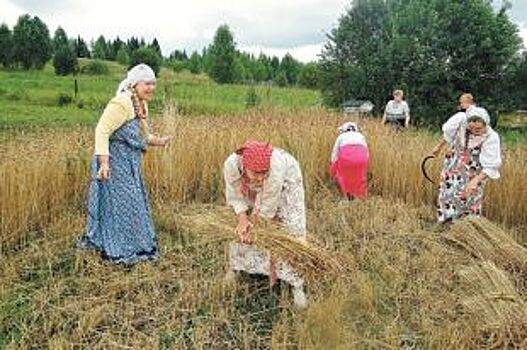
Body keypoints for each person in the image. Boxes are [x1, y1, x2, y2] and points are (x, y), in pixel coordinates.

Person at [78, 64, 171, 264]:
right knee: (121, 204)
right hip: (112, 162)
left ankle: (136, 244)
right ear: (135, 84)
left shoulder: (141, 104)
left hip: (129, 163)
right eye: (147, 83)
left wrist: (159, 141)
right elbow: (101, 130)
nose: (151, 87)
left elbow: (141, 135)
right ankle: (119, 246)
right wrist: (104, 163)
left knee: (133, 203)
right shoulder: (121, 103)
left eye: (153, 83)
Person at [223, 141, 308, 308]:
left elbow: (268, 206)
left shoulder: (276, 168)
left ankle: (295, 283)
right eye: (256, 172)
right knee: (240, 227)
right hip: (251, 187)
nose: (260, 177)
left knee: (289, 229)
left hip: (286, 184)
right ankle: (238, 267)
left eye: (264, 173)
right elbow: (234, 195)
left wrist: (254, 227)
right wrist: (242, 220)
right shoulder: (231, 164)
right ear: (244, 165)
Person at [431, 106, 502, 223]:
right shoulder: (460, 122)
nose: (476, 128)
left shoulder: (491, 137)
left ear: (486, 124)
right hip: (452, 167)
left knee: (469, 199)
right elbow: (448, 135)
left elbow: (491, 165)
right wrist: (439, 147)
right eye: (472, 124)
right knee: (447, 194)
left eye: (480, 126)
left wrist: (475, 181)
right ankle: (444, 223)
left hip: (472, 174)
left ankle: (466, 229)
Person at [330, 122, 369, 199]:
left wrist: (332, 167)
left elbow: (334, 154)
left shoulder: (341, 137)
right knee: (359, 176)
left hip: (346, 159)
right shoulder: (361, 136)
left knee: (343, 175)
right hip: (362, 159)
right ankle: (359, 196)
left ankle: (346, 195)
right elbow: (366, 152)